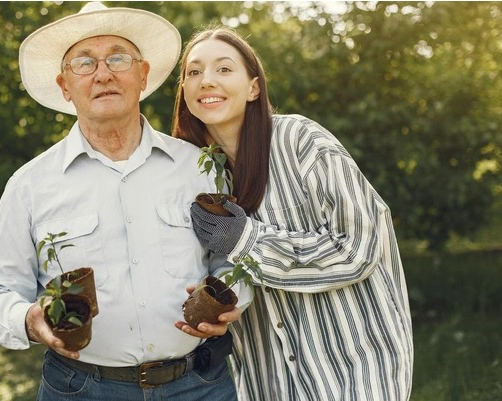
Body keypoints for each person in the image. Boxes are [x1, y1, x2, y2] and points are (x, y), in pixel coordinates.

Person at [0, 4, 246, 400]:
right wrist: (29, 319)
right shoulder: (29, 185)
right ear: (65, 86)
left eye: (118, 58)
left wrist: (232, 298)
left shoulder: (199, 167)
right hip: (81, 389)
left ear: (142, 74)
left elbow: (233, 255)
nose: (103, 73)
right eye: (84, 63)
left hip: (199, 385)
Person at [172, 27, 414, 401]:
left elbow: (359, 247)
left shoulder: (301, 141)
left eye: (223, 69)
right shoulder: (197, 175)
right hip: (269, 380)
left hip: (353, 372)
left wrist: (247, 241)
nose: (206, 80)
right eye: (193, 72)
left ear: (254, 88)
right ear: (185, 92)